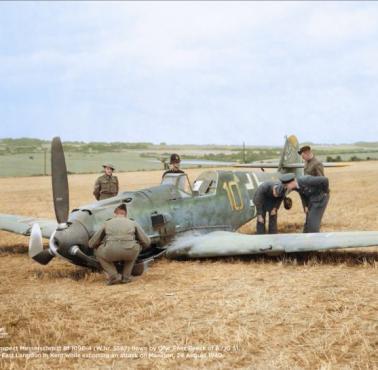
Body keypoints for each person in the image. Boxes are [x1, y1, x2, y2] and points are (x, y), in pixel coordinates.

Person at [88, 204, 151, 285]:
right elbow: (146, 241)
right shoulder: (133, 222)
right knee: (134, 249)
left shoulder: (107, 223)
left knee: (98, 252)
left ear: (115, 213)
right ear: (125, 214)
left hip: (111, 252)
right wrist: (140, 246)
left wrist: (97, 246)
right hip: (129, 252)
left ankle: (113, 275)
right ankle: (126, 277)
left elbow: (92, 243)